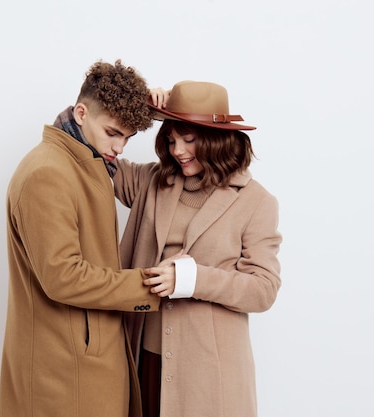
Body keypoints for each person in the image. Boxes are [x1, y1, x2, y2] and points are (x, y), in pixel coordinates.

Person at [0, 60, 180, 417]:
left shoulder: (87, 163)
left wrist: (159, 108)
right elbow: (62, 276)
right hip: (63, 371)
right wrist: (150, 286)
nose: (121, 146)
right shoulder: (48, 172)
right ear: (81, 113)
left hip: (81, 362)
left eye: (127, 137)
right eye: (113, 132)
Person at [114, 81, 282, 417]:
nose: (178, 151)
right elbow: (94, 154)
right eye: (172, 139)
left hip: (208, 372)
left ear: (216, 139)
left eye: (189, 140)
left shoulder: (256, 202)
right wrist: (139, 107)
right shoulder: (153, 181)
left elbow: (264, 290)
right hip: (145, 356)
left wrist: (191, 279)